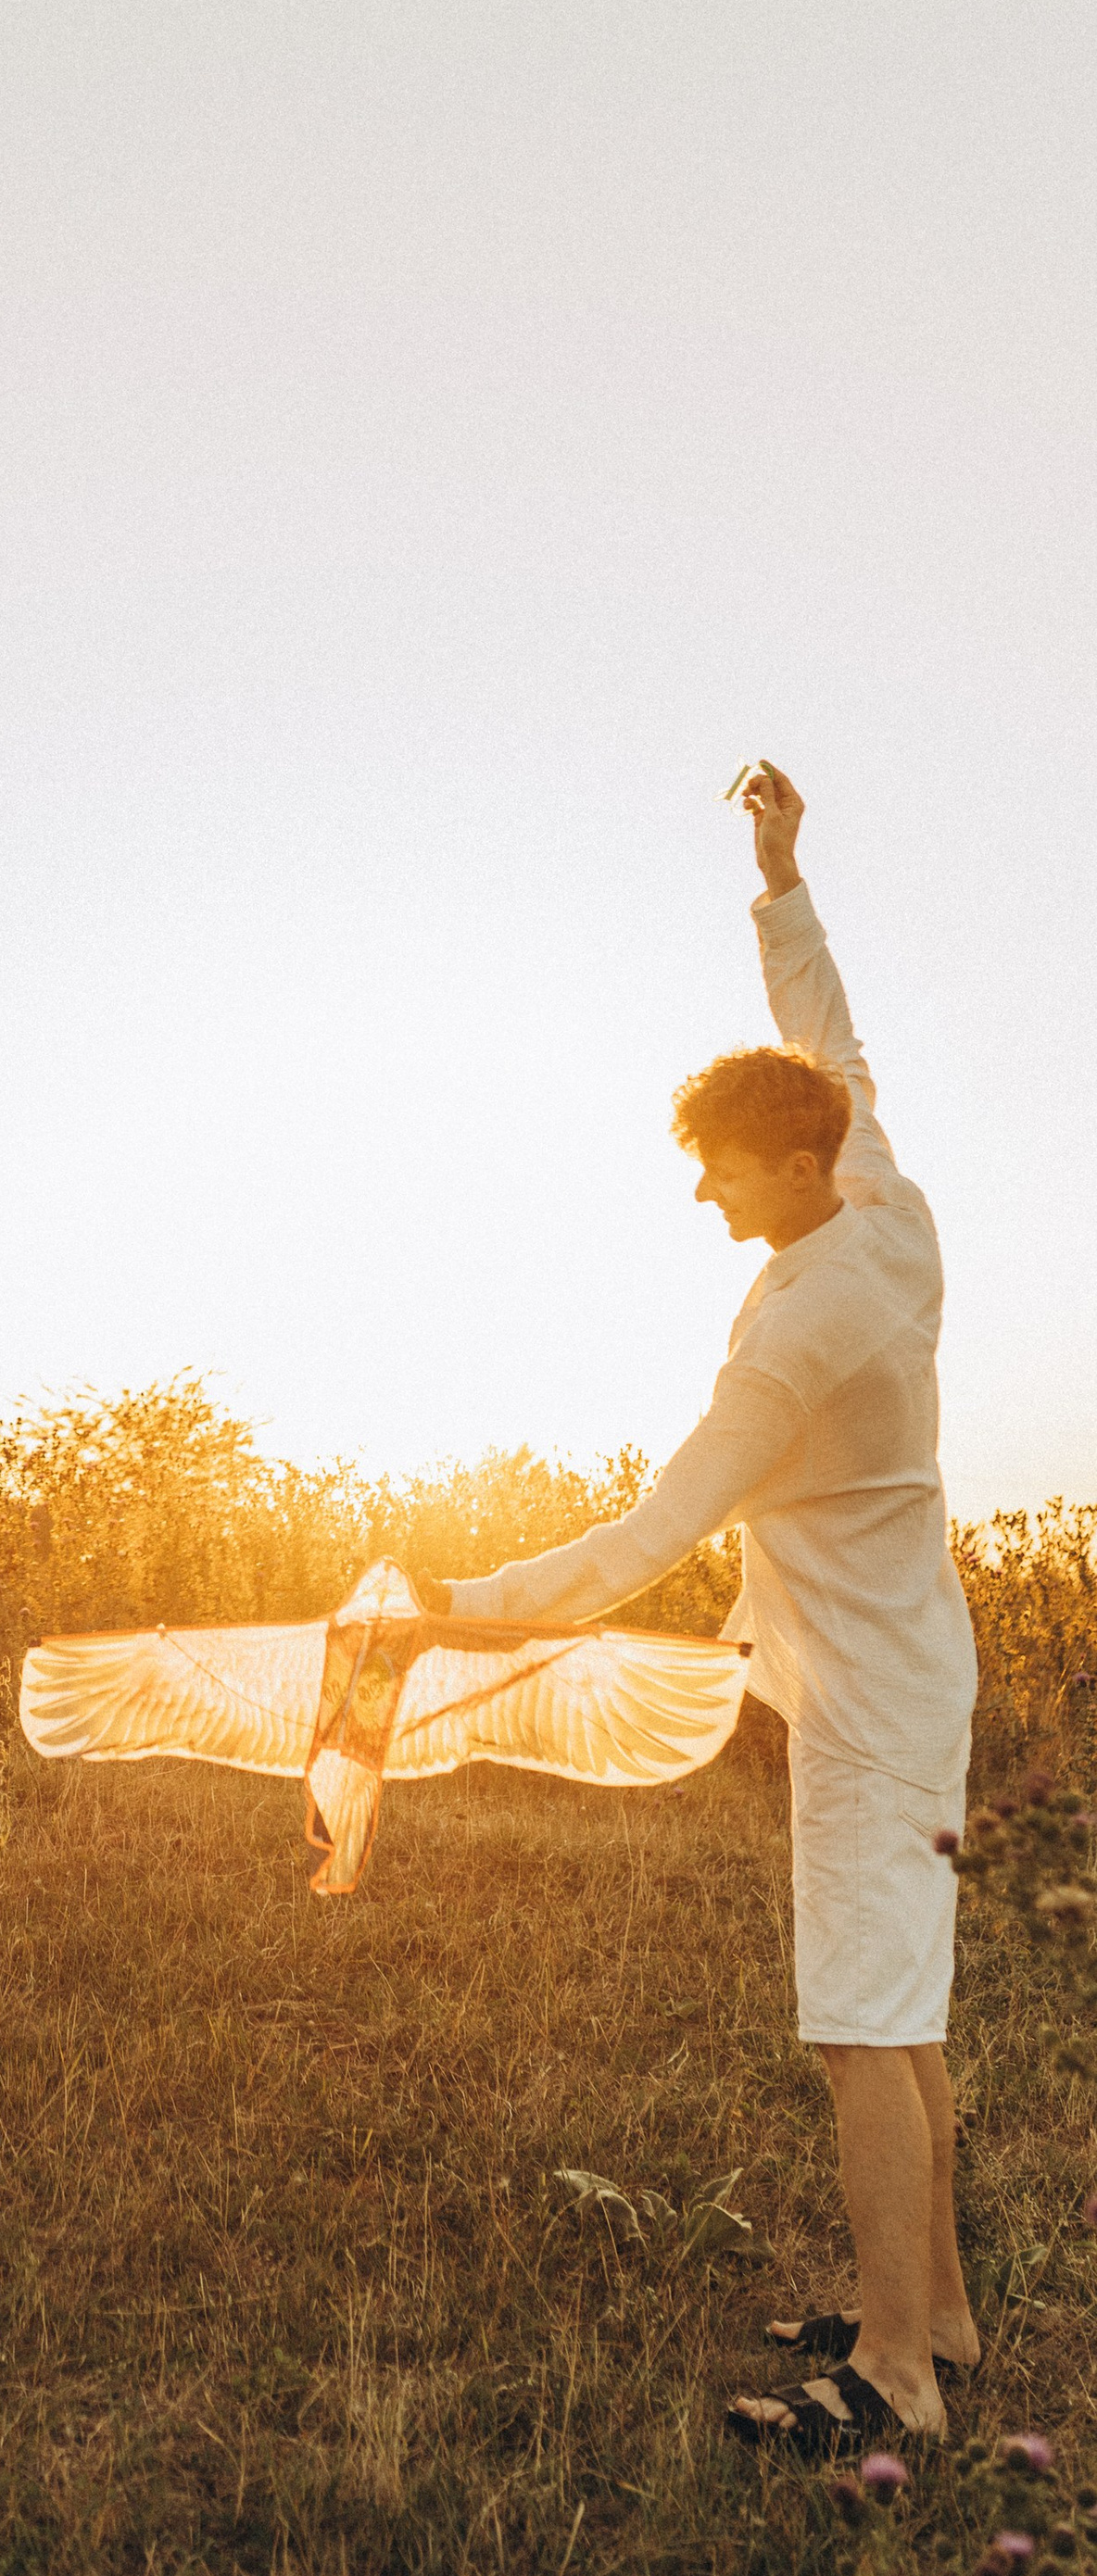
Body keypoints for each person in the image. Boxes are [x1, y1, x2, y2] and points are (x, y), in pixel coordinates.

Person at [425, 769, 977, 2450]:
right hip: (907, 1668)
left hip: (875, 1708)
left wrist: (453, 1605)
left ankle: (891, 2382)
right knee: (908, 2008)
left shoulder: (801, 1331)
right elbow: (839, 1040)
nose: (704, 1198)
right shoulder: (881, 1201)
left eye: (723, 1172)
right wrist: (783, 888)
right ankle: (933, 2310)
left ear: (795, 1164)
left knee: (858, 2028)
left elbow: (645, 1540)